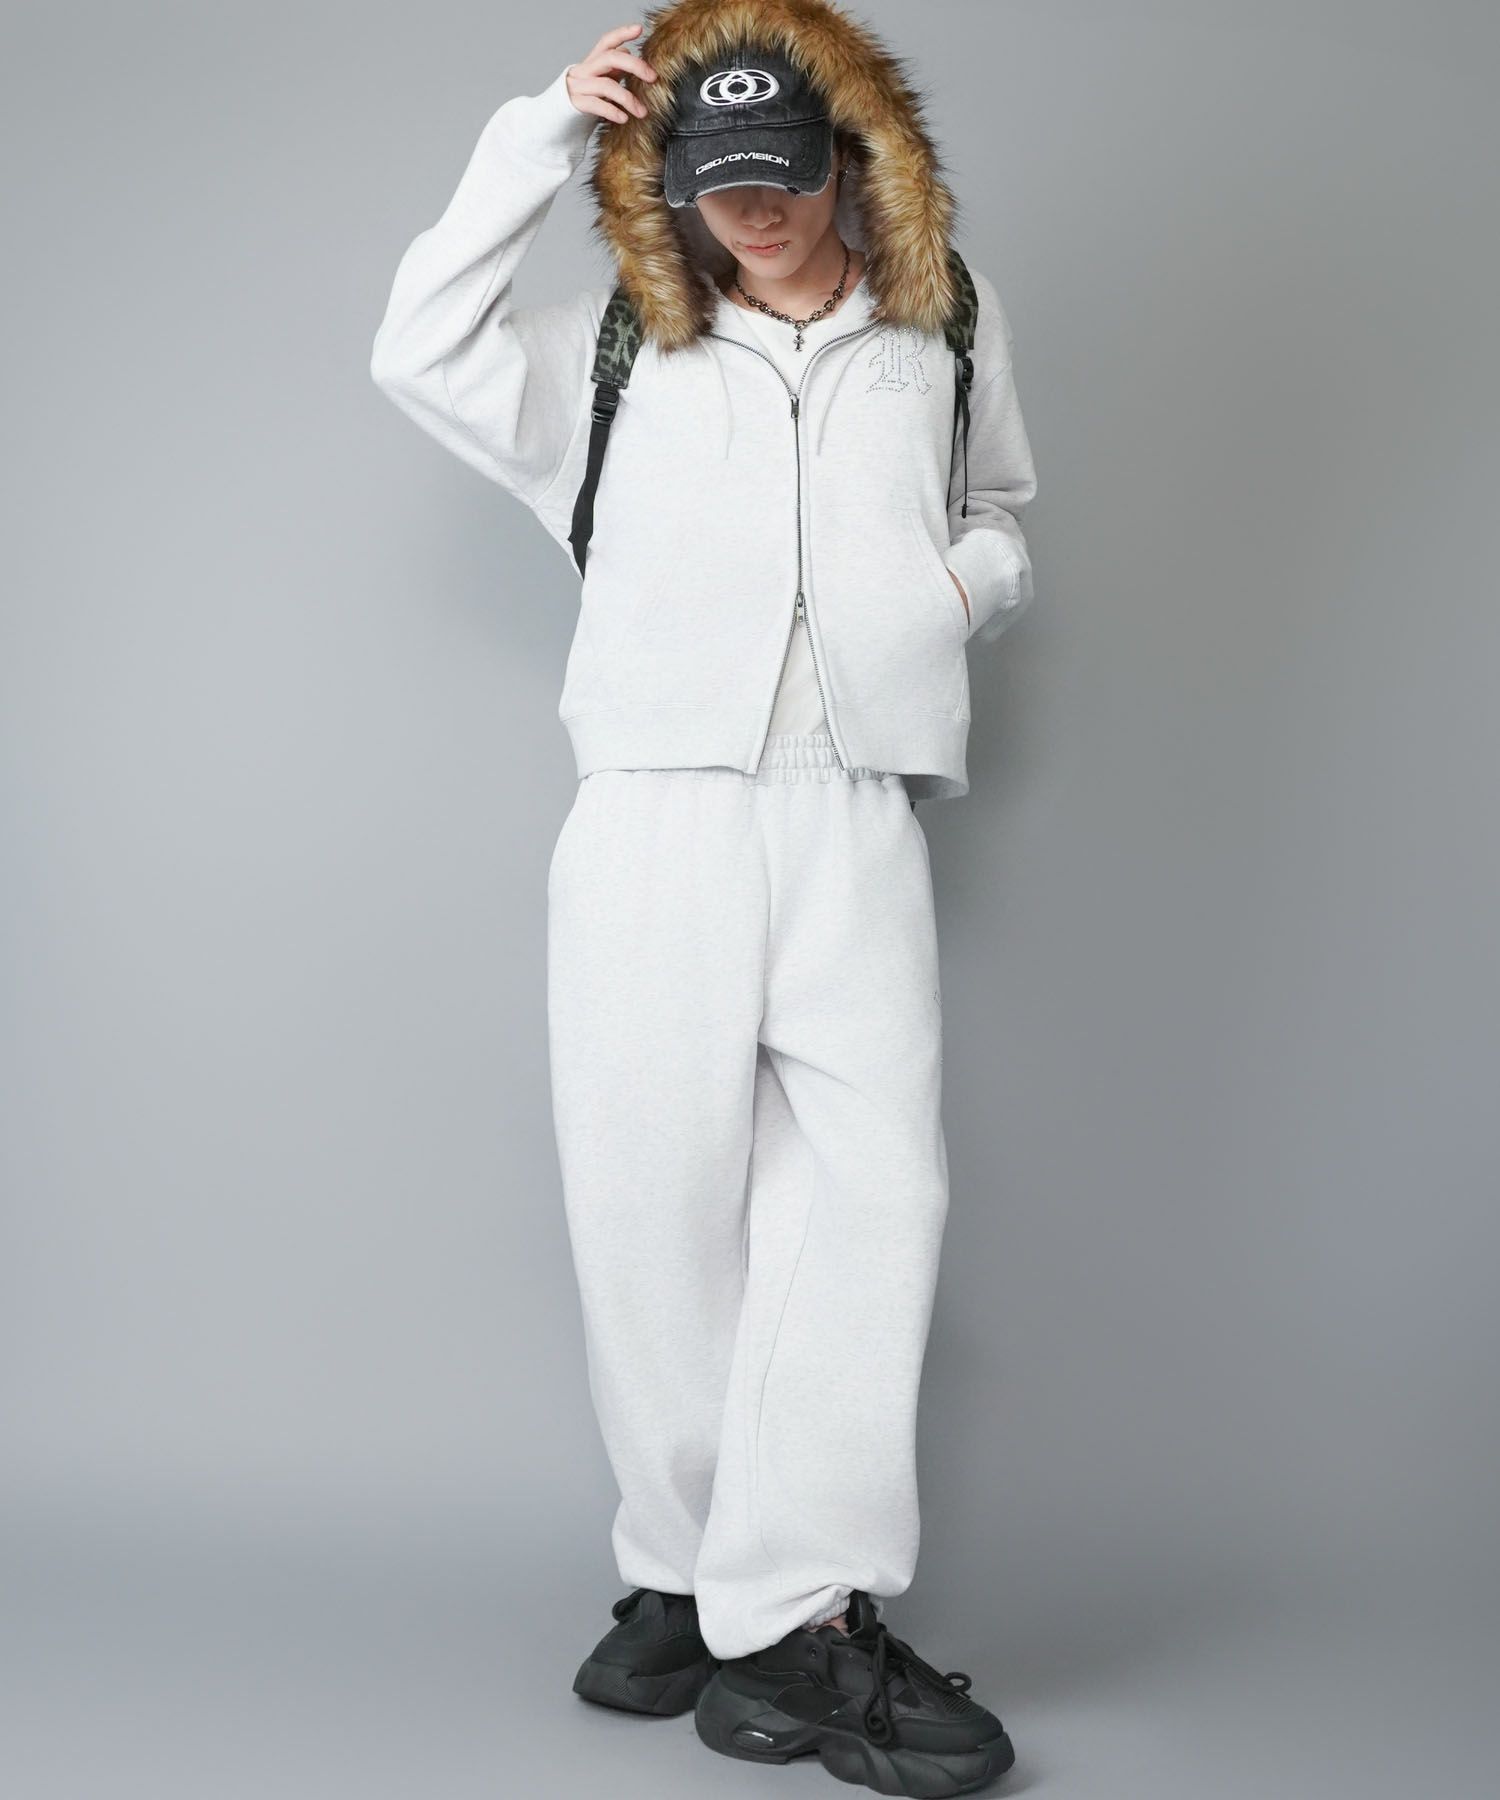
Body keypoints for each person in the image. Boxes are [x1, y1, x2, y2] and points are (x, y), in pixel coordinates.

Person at [370, 5, 1037, 1793]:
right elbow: (416, 340)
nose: (756, 209)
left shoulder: (946, 322)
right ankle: (685, 1570)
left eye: (785, 174)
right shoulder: (618, 349)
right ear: (672, 181)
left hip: (856, 810)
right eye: (719, 180)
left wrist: (957, 591)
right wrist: (535, 131)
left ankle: (795, 1610)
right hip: (656, 812)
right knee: (655, 1207)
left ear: (851, 163)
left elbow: (999, 503)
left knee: (872, 1201)